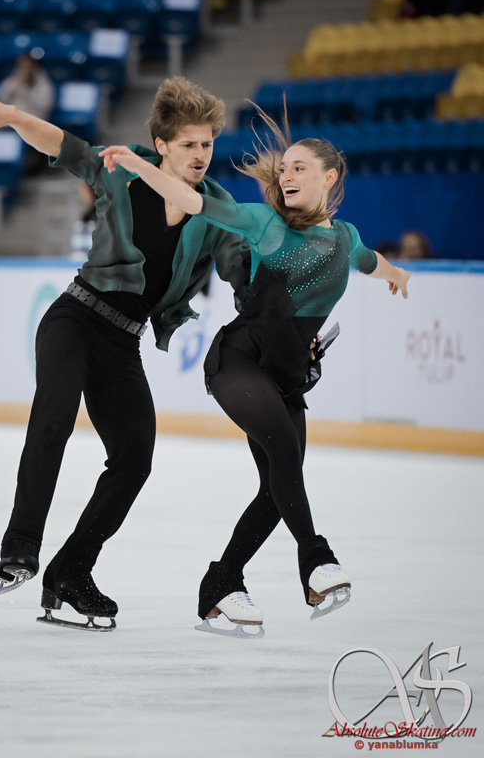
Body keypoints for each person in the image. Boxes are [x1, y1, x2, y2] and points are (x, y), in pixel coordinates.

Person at [100, 105, 410, 637]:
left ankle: (221, 584)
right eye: (283, 168)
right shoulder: (265, 223)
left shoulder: (346, 238)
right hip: (239, 362)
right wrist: (141, 165)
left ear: (330, 177)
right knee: (284, 450)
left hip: (287, 376)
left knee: (276, 488)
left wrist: (396, 274)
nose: (286, 175)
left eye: (299, 168)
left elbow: (368, 261)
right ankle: (315, 558)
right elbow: (193, 201)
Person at [0, 77, 250, 631]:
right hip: (75, 318)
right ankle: (20, 546)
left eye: (207, 144)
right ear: (161, 145)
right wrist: (14, 117)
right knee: (54, 416)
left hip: (123, 342)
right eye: (188, 144)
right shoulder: (121, 168)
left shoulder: (216, 208)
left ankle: (70, 571)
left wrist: (281, 310)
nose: (200, 154)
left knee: (135, 459)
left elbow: (244, 274)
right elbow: (62, 144)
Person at [0, 52, 56, 175]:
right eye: (22, 66)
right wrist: (15, 86)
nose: (24, 70)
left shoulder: (44, 84)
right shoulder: (13, 80)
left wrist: (25, 91)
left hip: (33, 121)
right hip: (10, 123)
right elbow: (1, 99)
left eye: (27, 66)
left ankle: (28, 167)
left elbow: (44, 106)